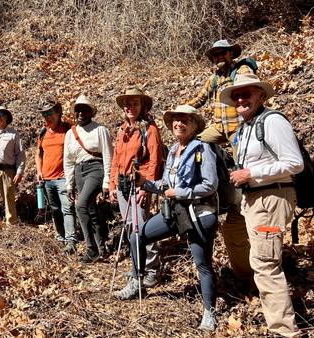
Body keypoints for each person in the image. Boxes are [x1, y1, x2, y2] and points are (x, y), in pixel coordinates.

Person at [113, 105, 219, 331]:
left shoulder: (203, 149)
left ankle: (209, 313)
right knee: (137, 237)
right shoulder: (172, 150)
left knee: (203, 264)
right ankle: (136, 281)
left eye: (184, 120)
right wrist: (146, 183)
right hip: (175, 212)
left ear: (194, 125)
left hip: (200, 212)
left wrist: (179, 193)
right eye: (175, 120)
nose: (178, 124)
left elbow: (210, 184)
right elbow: (166, 185)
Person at [222, 74, 303, 337]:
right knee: (261, 259)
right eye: (237, 96)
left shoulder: (273, 121)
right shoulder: (246, 127)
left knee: (266, 263)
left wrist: (251, 173)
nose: (241, 99)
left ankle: (285, 331)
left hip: (271, 199)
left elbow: (294, 163)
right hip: (254, 200)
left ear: (261, 96)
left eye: (247, 94)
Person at [187, 39, 255, 284]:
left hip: (238, 127)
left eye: (221, 54)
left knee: (243, 162)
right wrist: (183, 109)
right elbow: (199, 99)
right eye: (214, 55)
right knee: (197, 144)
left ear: (230, 54)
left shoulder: (242, 71)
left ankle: (241, 186)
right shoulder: (213, 79)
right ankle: (210, 179)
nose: (218, 58)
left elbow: (249, 90)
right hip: (218, 127)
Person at [110, 87, 163, 287]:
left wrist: (145, 187)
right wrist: (113, 184)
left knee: (142, 227)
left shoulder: (149, 129)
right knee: (130, 226)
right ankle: (137, 266)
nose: (130, 107)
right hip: (123, 183)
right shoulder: (123, 129)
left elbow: (155, 161)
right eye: (127, 104)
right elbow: (116, 159)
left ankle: (152, 268)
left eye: (134, 103)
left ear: (142, 106)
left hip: (138, 184)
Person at [64, 95, 113, 263]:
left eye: (84, 110)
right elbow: (68, 160)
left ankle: (91, 249)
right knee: (90, 210)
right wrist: (69, 184)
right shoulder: (71, 133)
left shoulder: (100, 130)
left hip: (95, 168)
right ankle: (101, 247)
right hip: (79, 171)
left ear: (91, 112)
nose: (80, 113)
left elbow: (108, 156)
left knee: (81, 205)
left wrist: (107, 181)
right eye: (78, 110)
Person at [34, 100, 76, 253]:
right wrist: (39, 171)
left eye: (50, 113)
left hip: (64, 178)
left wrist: (71, 171)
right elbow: (38, 154)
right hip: (47, 179)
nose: (47, 117)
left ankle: (71, 240)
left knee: (68, 208)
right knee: (55, 209)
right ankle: (60, 237)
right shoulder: (43, 132)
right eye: (44, 114)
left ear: (58, 112)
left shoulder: (68, 129)